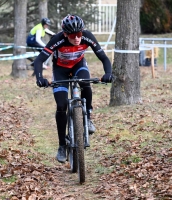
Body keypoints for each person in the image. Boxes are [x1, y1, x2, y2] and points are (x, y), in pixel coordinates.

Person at [33, 14, 113, 163]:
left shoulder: (87, 37)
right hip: (60, 70)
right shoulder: (57, 40)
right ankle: (62, 146)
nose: (77, 38)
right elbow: (39, 60)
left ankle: (87, 118)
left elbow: (104, 57)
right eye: (73, 35)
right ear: (65, 34)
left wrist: (108, 73)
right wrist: (40, 78)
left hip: (78, 66)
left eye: (79, 34)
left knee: (85, 83)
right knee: (61, 105)